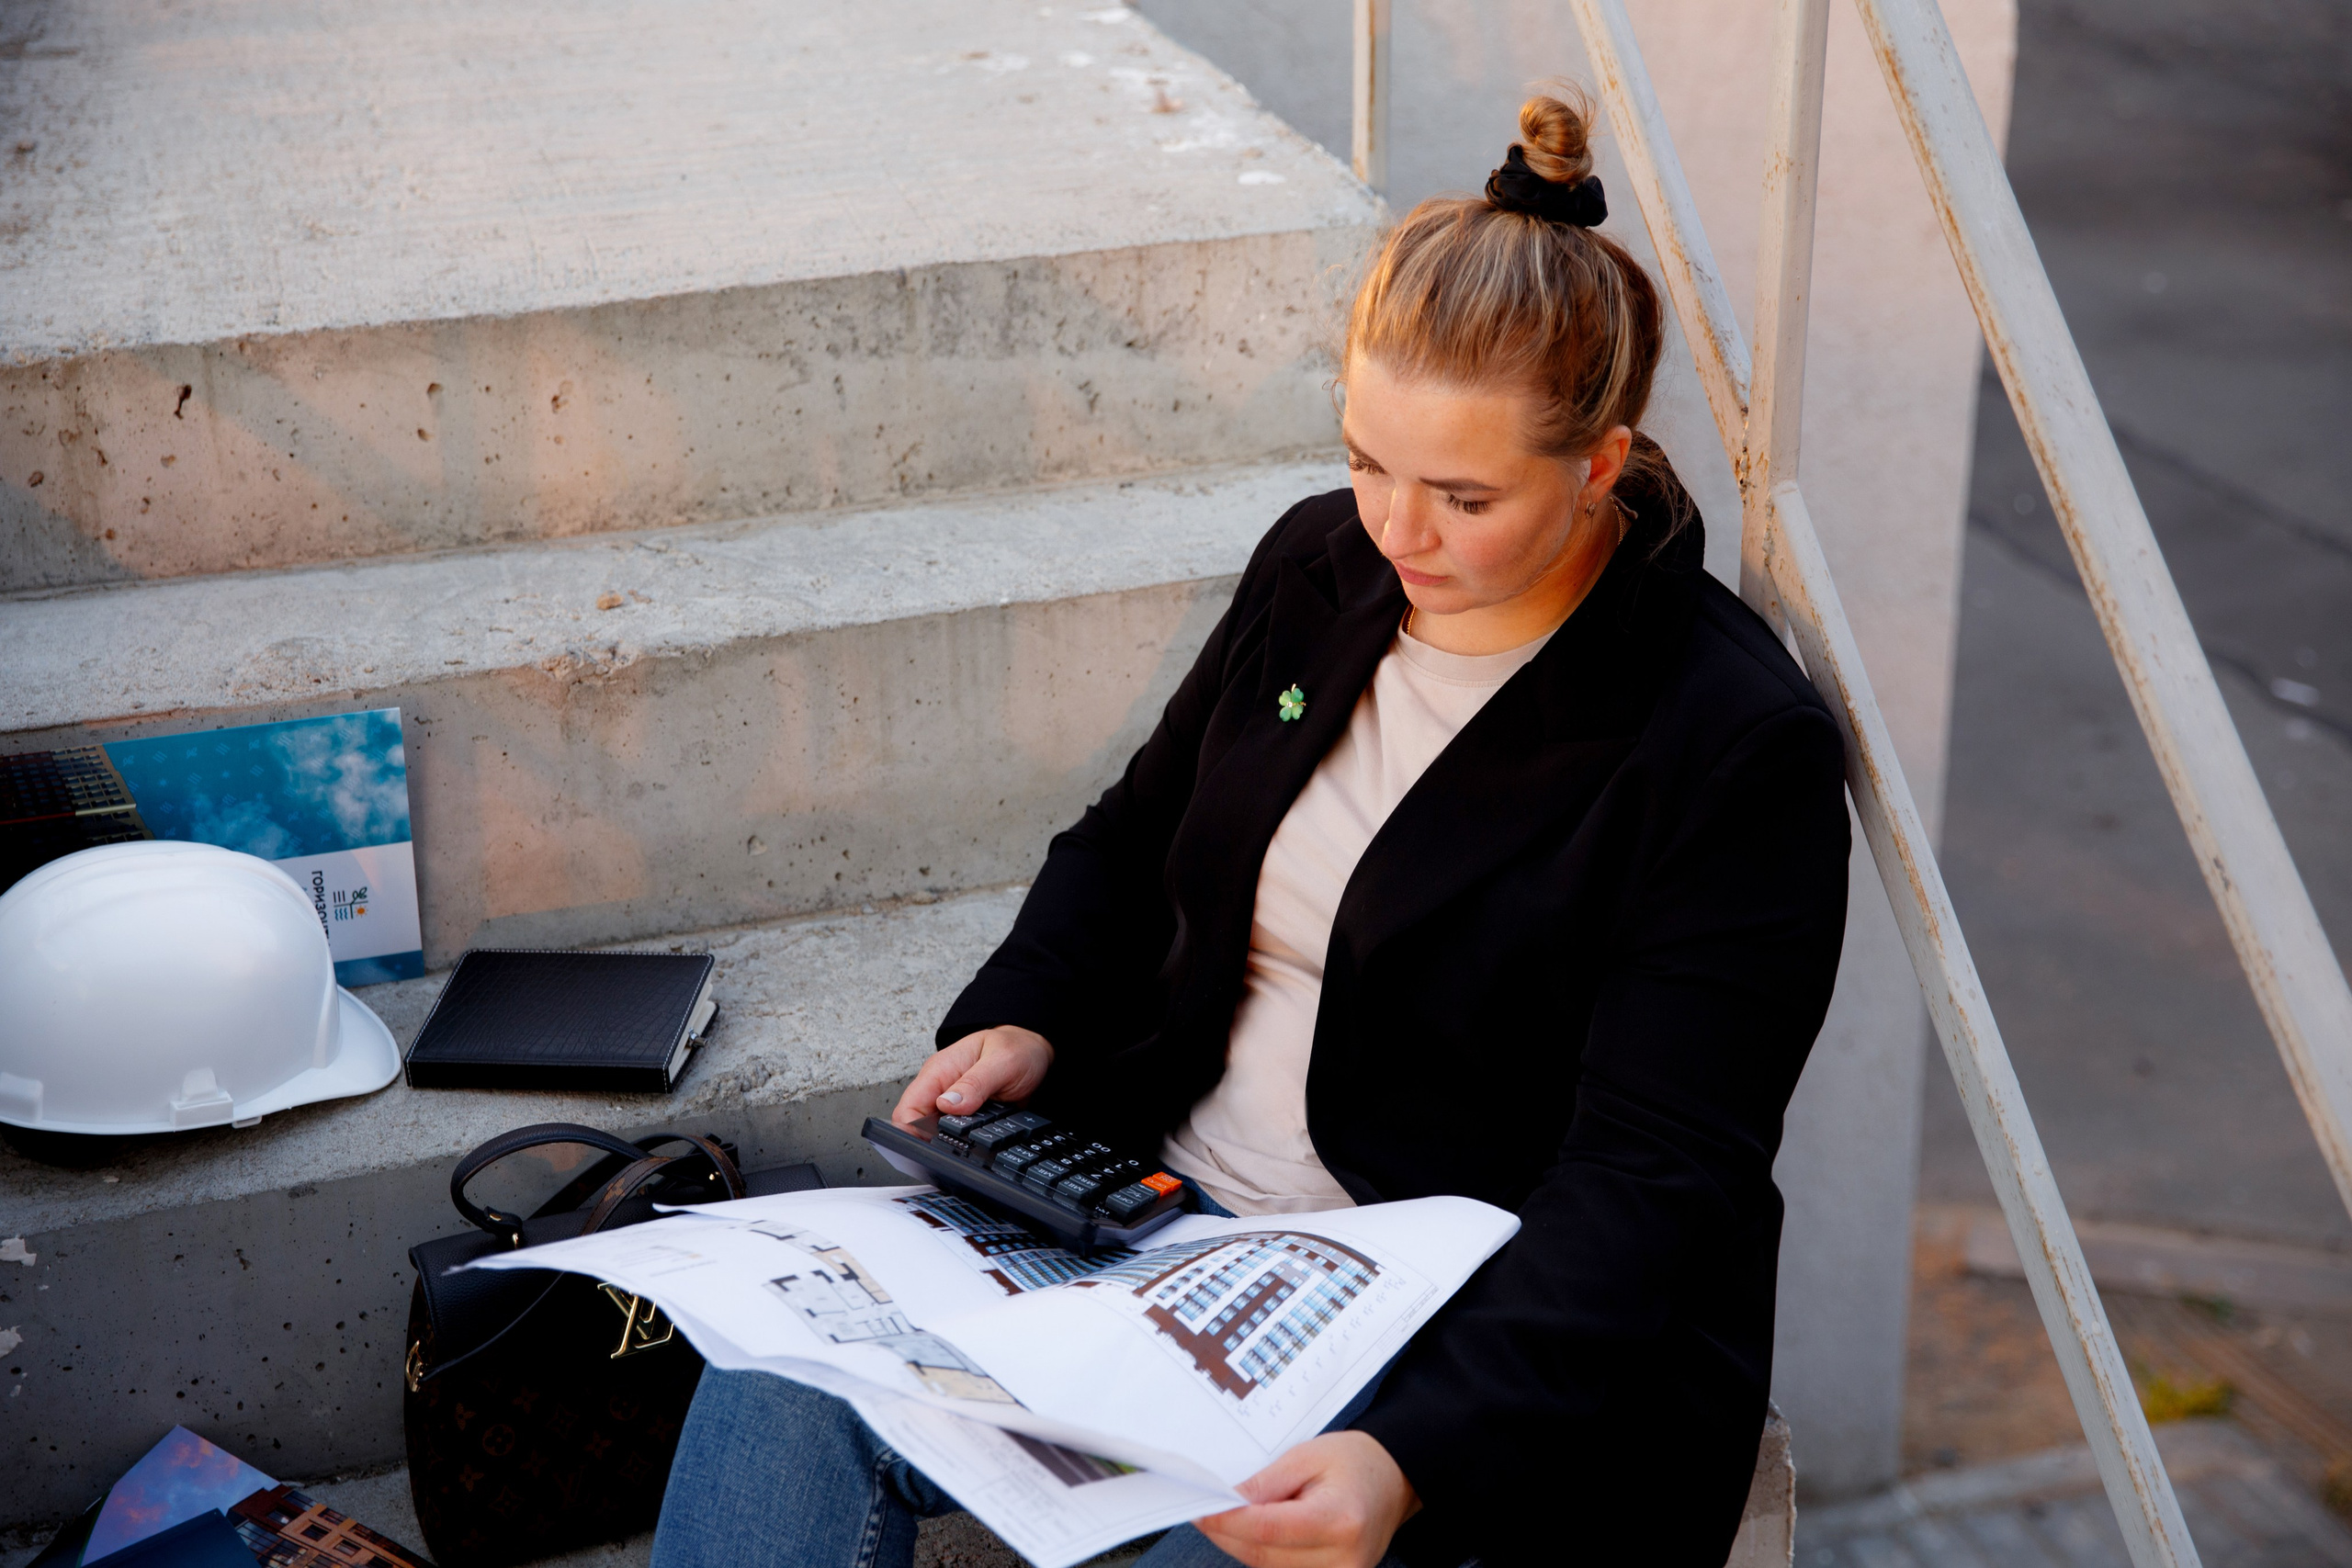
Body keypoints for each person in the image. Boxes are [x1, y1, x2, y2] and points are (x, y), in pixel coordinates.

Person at [651, 90, 1850, 1568]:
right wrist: (1023, 1015)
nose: (1396, 532)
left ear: (1601, 465)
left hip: (1443, 1313)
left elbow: (1654, 1184)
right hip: (1152, 1214)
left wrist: (1407, 1456)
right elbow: (1132, 835)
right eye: (1367, 460)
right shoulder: (1321, 565)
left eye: (1464, 495)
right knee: (783, 1381)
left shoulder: (1726, 745)